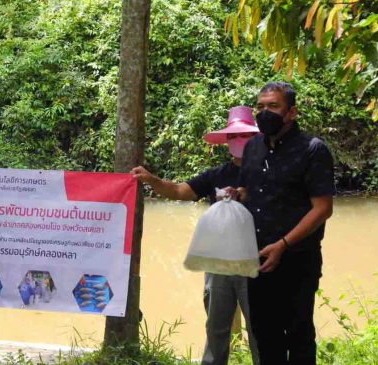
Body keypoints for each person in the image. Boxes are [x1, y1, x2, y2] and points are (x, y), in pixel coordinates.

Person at [131, 106, 260, 365]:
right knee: (216, 328)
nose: (239, 142)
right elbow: (180, 191)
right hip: (219, 263)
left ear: (256, 138)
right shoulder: (217, 174)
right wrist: (150, 179)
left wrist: (250, 194)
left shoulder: (269, 172)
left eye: (244, 136)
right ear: (226, 141)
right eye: (233, 137)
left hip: (258, 261)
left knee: (261, 330)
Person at [229, 82, 334, 364]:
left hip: (297, 259)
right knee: (265, 335)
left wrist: (284, 244)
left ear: (291, 112)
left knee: (298, 335)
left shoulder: (313, 150)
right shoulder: (252, 148)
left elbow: (322, 209)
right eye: (260, 107)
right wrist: (236, 195)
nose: (265, 112)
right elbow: (250, 191)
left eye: (273, 106)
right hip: (258, 258)